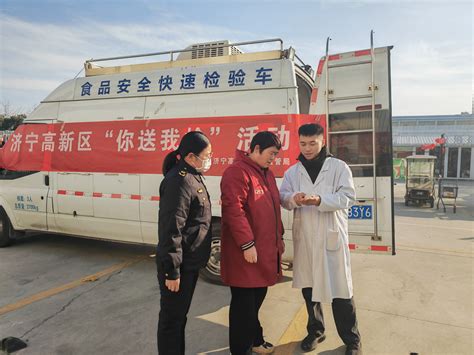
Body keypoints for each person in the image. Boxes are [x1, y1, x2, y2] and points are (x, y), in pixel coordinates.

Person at [279, 123, 362, 355]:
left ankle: (352, 340)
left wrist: (319, 200)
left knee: (341, 292)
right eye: (303, 143)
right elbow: (283, 197)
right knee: (309, 288)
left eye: (312, 143)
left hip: (330, 236)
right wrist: (294, 198)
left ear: (322, 141)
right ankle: (316, 331)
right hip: (305, 237)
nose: (307, 148)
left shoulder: (338, 167)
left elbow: (348, 197)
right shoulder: (293, 172)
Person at [220, 131, 285, 355]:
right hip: (245, 254)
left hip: (264, 251)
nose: (273, 158)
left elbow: (274, 209)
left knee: (255, 301)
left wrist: (280, 240)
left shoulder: (266, 173)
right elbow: (233, 211)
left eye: (276, 155)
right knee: (243, 307)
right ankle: (241, 349)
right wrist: (247, 244)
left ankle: (256, 340)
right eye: (271, 153)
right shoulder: (237, 172)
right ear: (256, 148)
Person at [156, 131, 213, 355]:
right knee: (172, 321)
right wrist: (172, 271)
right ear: (190, 156)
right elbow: (171, 229)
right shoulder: (179, 181)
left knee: (179, 318)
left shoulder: (191, 174)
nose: (209, 159)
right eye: (206, 155)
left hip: (188, 262)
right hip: (178, 267)